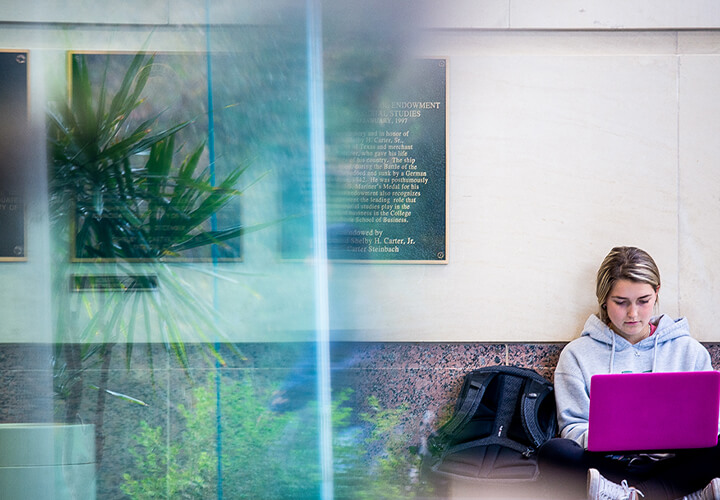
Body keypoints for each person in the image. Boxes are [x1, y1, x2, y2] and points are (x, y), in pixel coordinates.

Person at [538, 246, 720, 500]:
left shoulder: (689, 351)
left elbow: (710, 427)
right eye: (621, 302)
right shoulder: (577, 354)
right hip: (608, 467)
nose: (633, 314)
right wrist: (609, 436)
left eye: (643, 301)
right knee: (553, 452)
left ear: (657, 294)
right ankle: (680, 495)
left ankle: (634, 496)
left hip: (674, 464)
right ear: (604, 300)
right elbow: (572, 427)